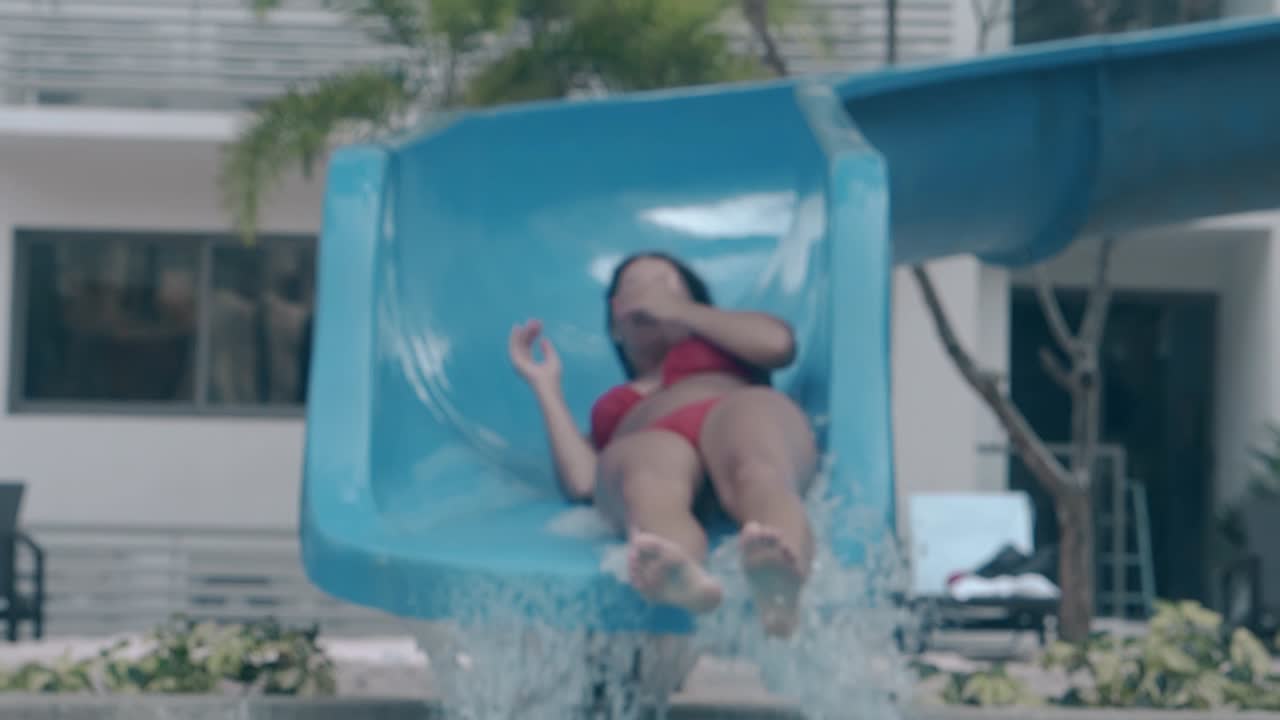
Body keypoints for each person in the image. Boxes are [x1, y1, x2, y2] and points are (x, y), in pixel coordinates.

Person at [508, 252, 818, 637]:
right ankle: (680, 574)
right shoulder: (617, 406)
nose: (650, 294)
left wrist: (678, 310)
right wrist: (545, 386)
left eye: (666, 283)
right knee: (646, 480)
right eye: (634, 287)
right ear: (616, 325)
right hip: (652, 440)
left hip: (733, 408)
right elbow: (584, 482)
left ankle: (780, 582)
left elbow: (779, 345)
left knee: (756, 464)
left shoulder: (727, 348)